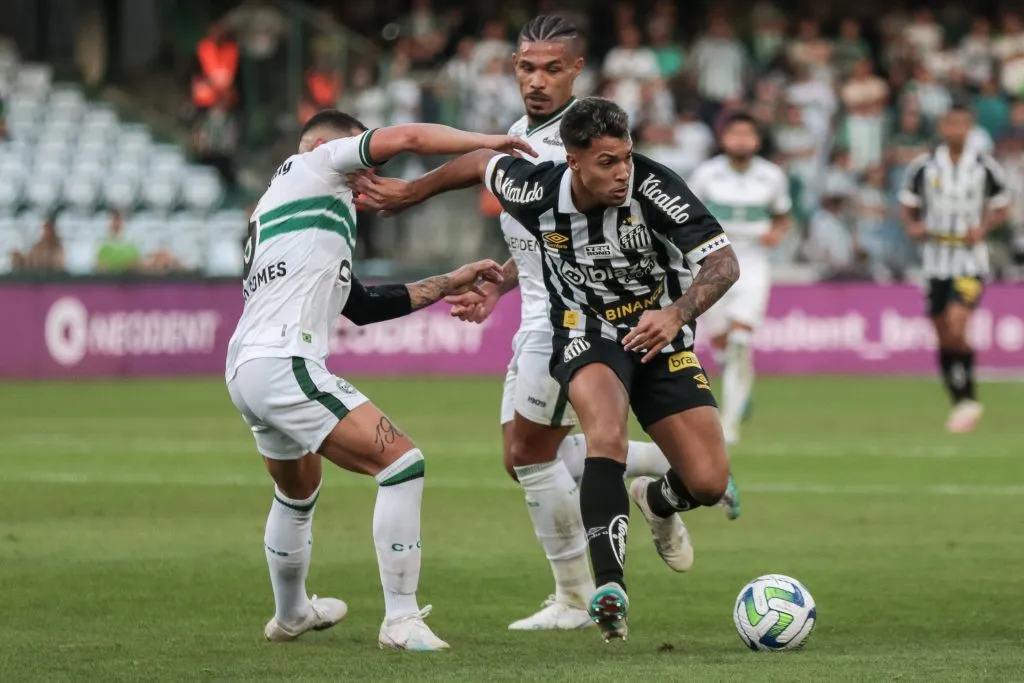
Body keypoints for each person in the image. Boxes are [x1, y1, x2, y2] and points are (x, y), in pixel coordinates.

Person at [351, 16, 739, 633]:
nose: (536, 80)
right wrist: (500, 281)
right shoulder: (521, 141)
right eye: (526, 67)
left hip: (620, 319)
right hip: (564, 318)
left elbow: (494, 172)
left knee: (541, 454)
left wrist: (408, 194)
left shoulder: (592, 141)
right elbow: (530, 211)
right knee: (536, 450)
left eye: (551, 68)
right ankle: (590, 589)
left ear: (577, 71)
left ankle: (640, 510)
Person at [224, 109, 533, 650]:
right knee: (402, 462)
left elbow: (362, 307)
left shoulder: (299, 206)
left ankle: (293, 613)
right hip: (282, 361)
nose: (370, 167)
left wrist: (447, 282)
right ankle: (400, 619)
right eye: (362, 152)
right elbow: (409, 136)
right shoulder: (317, 161)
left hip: (249, 365)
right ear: (327, 144)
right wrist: (493, 140)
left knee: (296, 492)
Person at [899, 104, 1010, 433]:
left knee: (957, 321)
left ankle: (969, 398)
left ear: (970, 127)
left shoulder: (984, 166)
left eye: (961, 124)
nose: (955, 130)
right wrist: (913, 226)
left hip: (969, 261)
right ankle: (960, 399)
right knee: (942, 330)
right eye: (949, 124)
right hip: (935, 260)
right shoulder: (923, 166)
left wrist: (984, 228)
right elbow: (908, 205)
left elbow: (1002, 206)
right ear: (942, 127)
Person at [688, 112, 791, 446]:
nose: (742, 140)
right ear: (724, 139)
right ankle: (739, 388)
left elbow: (782, 216)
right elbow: (686, 214)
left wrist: (776, 233)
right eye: (735, 134)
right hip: (711, 263)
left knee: (740, 342)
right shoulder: (706, 174)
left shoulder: (771, 176)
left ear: (757, 140)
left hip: (752, 262)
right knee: (721, 343)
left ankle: (729, 423)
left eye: (748, 134)